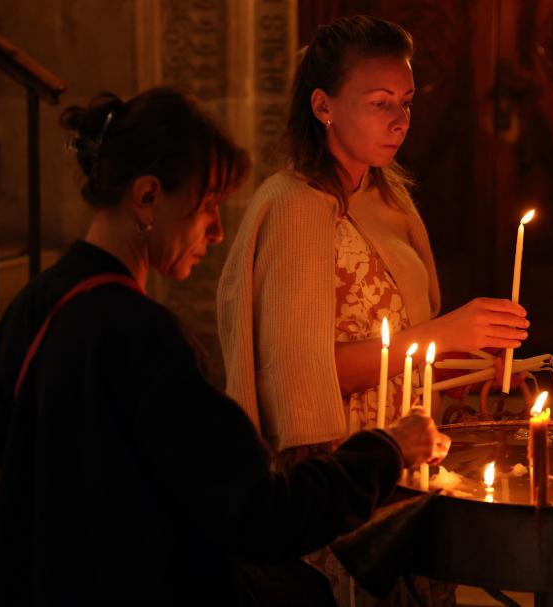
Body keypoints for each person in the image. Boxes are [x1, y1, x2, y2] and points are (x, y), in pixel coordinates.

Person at [0, 86, 448, 607]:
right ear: (148, 197)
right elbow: (261, 514)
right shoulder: (142, 338)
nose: (219, 231)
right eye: (206, 206)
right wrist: (388, 449)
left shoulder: (31, 308)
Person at [217, 15, 529, 606]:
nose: (401, 120)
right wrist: (444, 332)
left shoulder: (387, 195)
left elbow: (405, 338)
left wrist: (468, 356)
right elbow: (297, 373)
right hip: (341, 475)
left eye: (407, 102)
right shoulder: (294, 208)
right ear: (323, 105)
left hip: (407, 454)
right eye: (380, 102)